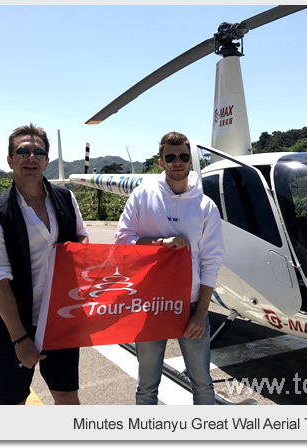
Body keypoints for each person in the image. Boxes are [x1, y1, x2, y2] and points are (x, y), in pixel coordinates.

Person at [0, 123, 89, 405]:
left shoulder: (66, 198)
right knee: (12, 403)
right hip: (13, 328)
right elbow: (0, 284)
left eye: (38, 152)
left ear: (46, 161)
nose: (31, 158)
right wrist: (20, 339)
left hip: (59, 320)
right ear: (10, 160)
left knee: (67, 396)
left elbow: (81, 240)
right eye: (23, 151)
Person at [115, 131, 224, 405]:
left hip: (190, 306)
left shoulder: (206, 206)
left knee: (202, 383)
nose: (178, 162)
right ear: (161, 161)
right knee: (147, 386)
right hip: (151, 304)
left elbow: (211, 260)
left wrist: (201, 314)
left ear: (191, 161)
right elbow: (122, 242)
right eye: (171, 157)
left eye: (184, 156)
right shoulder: (142, 196)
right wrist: (159, 244)